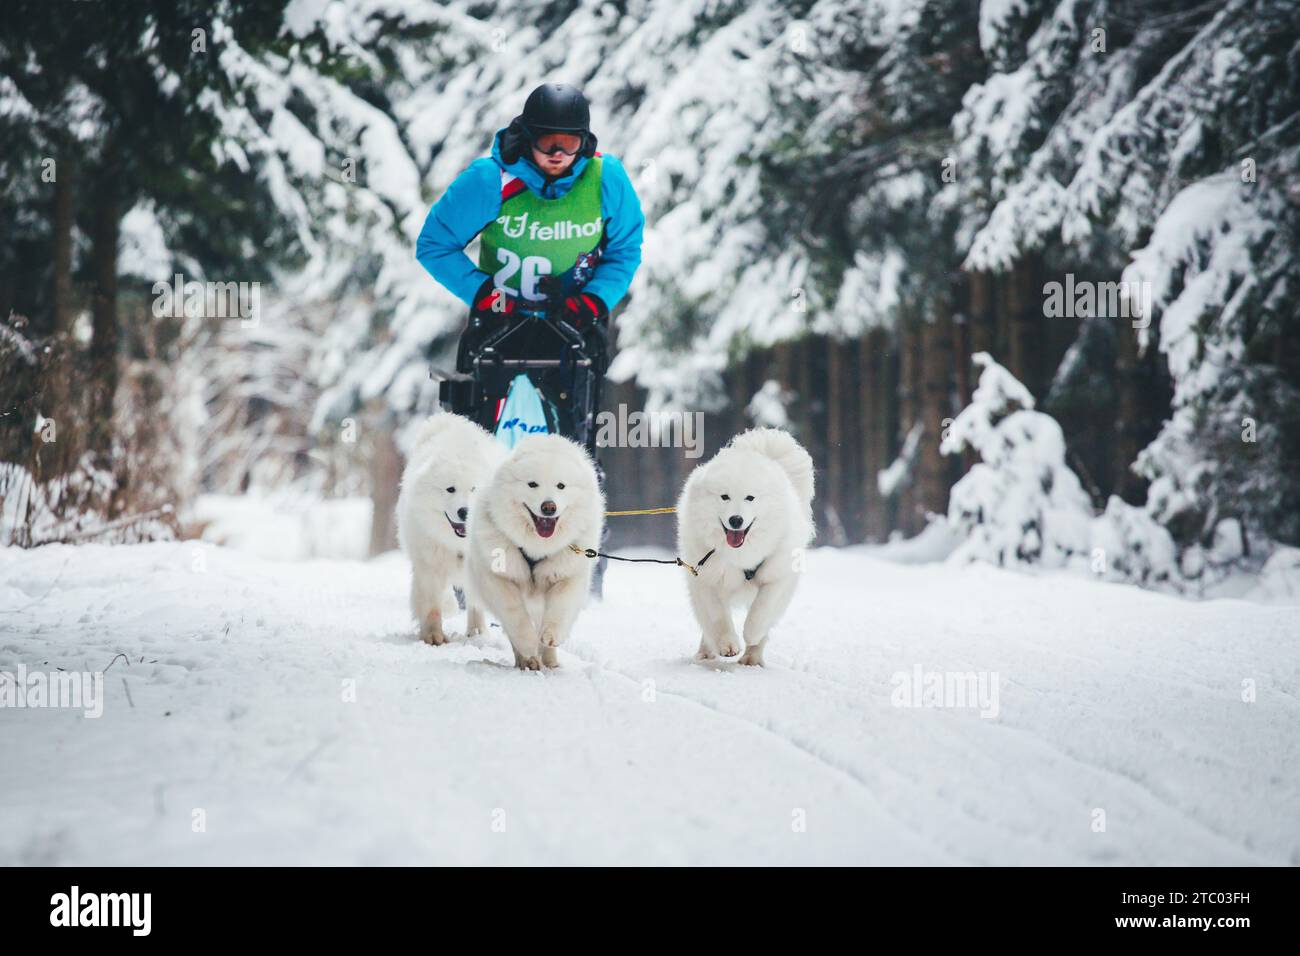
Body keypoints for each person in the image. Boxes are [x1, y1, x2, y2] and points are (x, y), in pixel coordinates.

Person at [416, 82, 645, 445]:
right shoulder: (490, 180)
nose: (557, 153)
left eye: (568, 144)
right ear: (526, 136)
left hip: (573, 329)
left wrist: (593, 301)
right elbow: (434, 244)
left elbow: (625, 250)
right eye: (547, 141)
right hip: (500, 328)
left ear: (584, 142)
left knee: (572, 444)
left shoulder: (606, 179)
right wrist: (486, 294)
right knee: (484, 443)